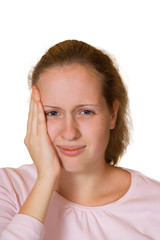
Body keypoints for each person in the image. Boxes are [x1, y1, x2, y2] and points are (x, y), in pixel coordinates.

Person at [0, 40, 160, 240]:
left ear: (113, 114)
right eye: (52, 113)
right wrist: (47, 177)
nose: (69, 132)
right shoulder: (7, 189)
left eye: (86, 112)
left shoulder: (155, 205)